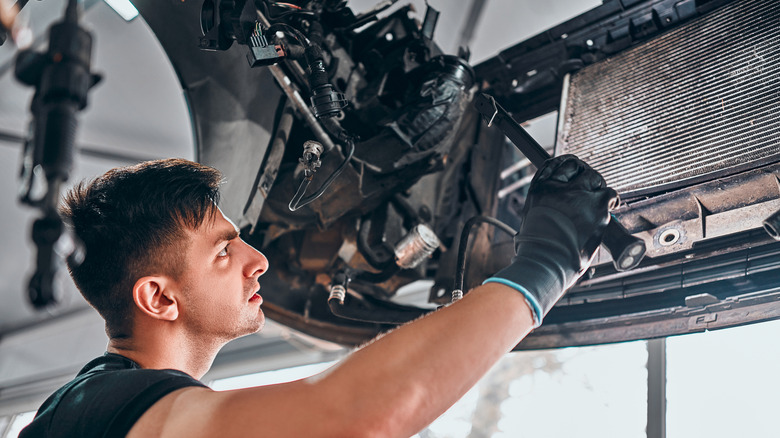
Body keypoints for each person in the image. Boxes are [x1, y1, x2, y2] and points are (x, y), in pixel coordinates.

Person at [20, 154, 616, 438]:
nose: (259, 260)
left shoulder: (88, 407)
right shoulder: (99, 410)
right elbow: (348, 416)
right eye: (225, 251)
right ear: (159, 298)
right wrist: (546, 263)